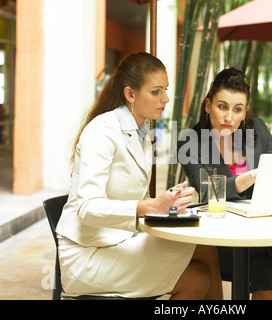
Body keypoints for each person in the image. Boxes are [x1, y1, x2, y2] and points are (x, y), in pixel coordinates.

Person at [56, 52, 222, 300]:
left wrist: (168, 204)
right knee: (198, 272)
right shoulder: (102, 132)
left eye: (165, 90)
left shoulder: (141, 132)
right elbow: (87, 207)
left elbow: (134, 198)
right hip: (88, 256)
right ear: (130, 94)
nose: (165, 98)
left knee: (202, 258)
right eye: (156, 92)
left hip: (119, 241)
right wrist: (150, 206)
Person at [178, 67, 272, 300]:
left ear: (244, 112)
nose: (229, 118)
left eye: (237, 109)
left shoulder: (257, 130)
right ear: (208, 106)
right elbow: (207, 190)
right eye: (222, 107)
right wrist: (249, 177)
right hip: (221, 239)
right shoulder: (191, 142)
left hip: (263, 235)